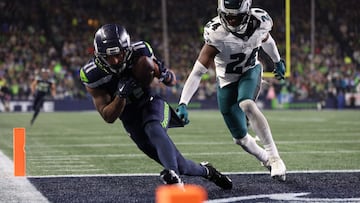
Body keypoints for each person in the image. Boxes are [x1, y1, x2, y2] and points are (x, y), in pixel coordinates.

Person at [79, 24, 232, 189]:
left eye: (118, 54)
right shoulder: (91, 74)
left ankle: (174, 180)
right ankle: (208, 171)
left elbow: (171, 80)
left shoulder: (141, 54)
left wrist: (162, 73)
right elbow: (108, 117)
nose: (115, 61)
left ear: (126, 49)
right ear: (98, 55)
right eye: (109, 57)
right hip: (130, 118)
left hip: (151, 102)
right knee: (180, 164)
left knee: (153, 127)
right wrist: (120, 96)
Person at [176, 0, 287, 181]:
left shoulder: (259, 22)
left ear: (247, 13)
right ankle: (266, 159)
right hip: (226, 82)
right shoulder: (216, 34)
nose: (232, 21)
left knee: (246, 104)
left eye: (236, 17)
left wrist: (277, 60)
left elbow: (267, 40)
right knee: (240, 139)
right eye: (227, 16)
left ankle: (275, 157)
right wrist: (183, 102)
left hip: (250, 71)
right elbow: (197, 73)